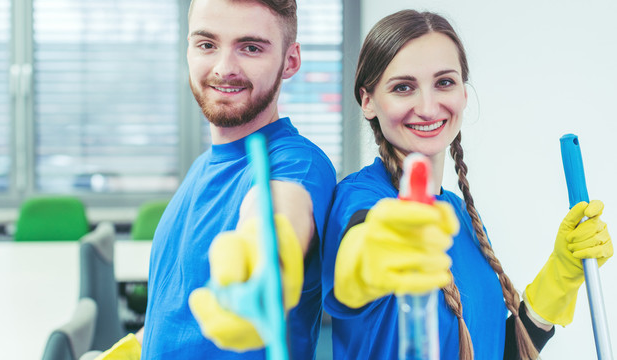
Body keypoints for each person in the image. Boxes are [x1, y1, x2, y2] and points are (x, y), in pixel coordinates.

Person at [321, 9, 613, 360]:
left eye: (444, 82)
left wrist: (560, 274)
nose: (428, 107)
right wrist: (373, 256)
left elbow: (490, 351)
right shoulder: (360, 198)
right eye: (403, 87)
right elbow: (357, 256)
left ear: (463, 93)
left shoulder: (460, 215)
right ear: (368, 101)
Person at [96, 0, 336, 359]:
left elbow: (278, 213)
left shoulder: (298, 164)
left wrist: (266, 252)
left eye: (250, 47)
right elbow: (177, 314)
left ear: (291, 61)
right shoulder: (201, 167)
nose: (225, 68)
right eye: (207, 44)